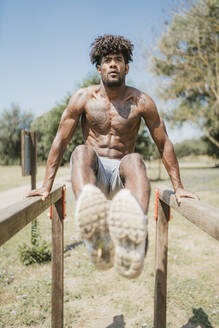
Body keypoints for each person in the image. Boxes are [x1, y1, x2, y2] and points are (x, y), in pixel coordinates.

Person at [27, 35, 199, 278]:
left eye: (118, 60)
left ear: (126, 67)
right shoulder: (83, 98)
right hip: (93, 175)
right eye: (107, 61)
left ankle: (134, 237)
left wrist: (178, 187)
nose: (113, 65)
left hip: (123, 177)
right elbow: (60, 141)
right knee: (80, 151)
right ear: (99, 68)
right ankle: (94, 229)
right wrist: (46, 185)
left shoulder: (141, 101)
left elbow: (164, 143)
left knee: (135, 160)